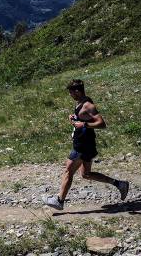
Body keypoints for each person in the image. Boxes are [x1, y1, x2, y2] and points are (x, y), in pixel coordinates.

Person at [42, 79, 129, 210]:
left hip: (83, 144)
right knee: (85, 174)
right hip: (85, 143)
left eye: (71, 92)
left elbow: (102, 123)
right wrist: (74, 119)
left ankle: (59, 200)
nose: (70, 95)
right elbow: (82, 120)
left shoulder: (88, 105)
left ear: (77, 91)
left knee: (68, 170)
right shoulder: (80, 102)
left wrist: (84, 124)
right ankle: (120, 184)